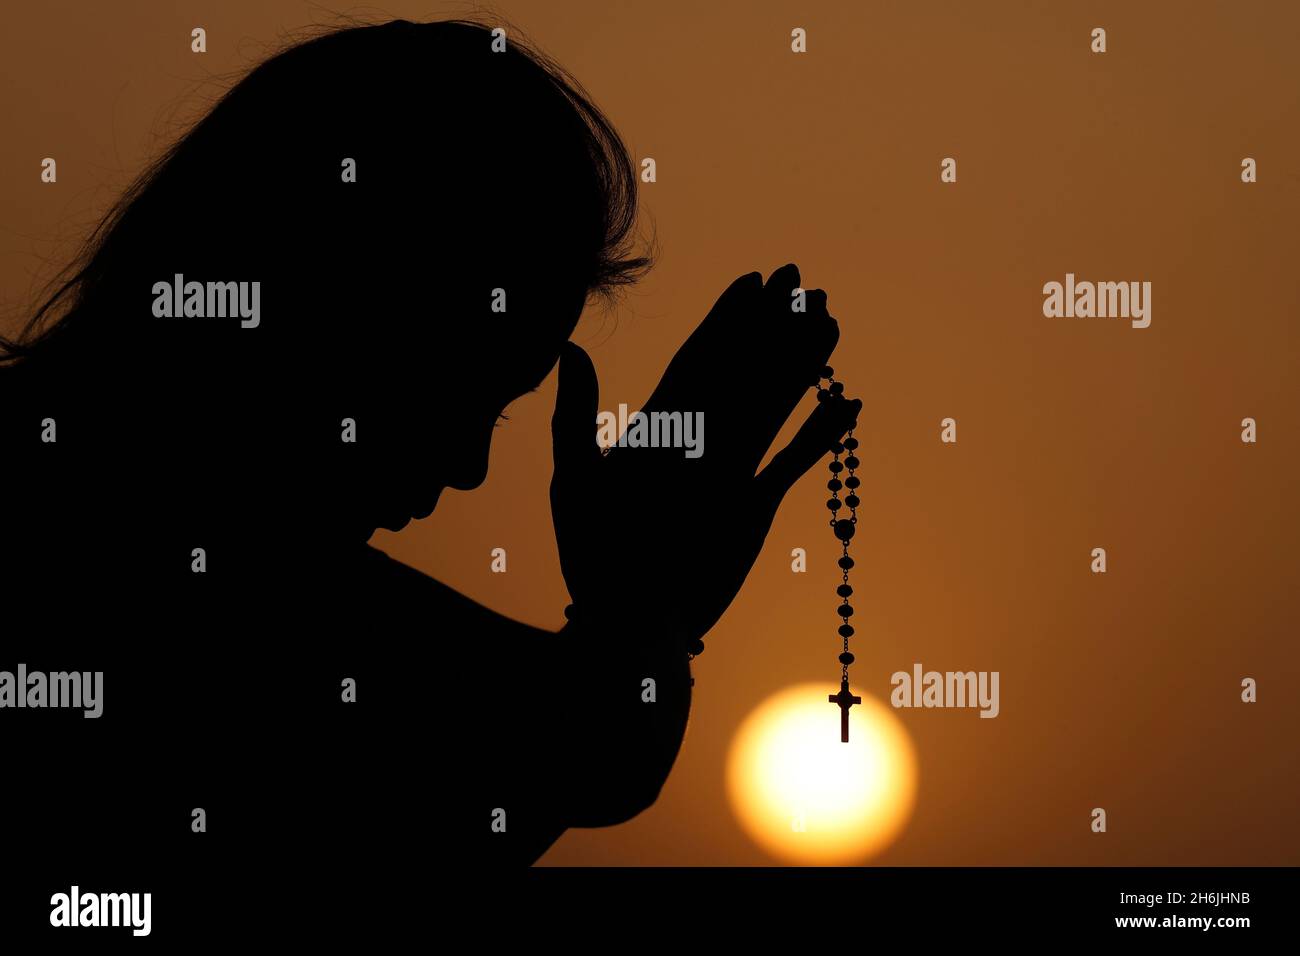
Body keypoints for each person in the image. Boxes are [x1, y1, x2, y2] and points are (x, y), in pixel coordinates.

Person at [0, 18, 860, 881]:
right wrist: (643, 602)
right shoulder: (179, 587)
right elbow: (570, 752)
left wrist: (639, 612)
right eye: (460, 391)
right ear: (330, 299)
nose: (467, 467)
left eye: (497, 411)